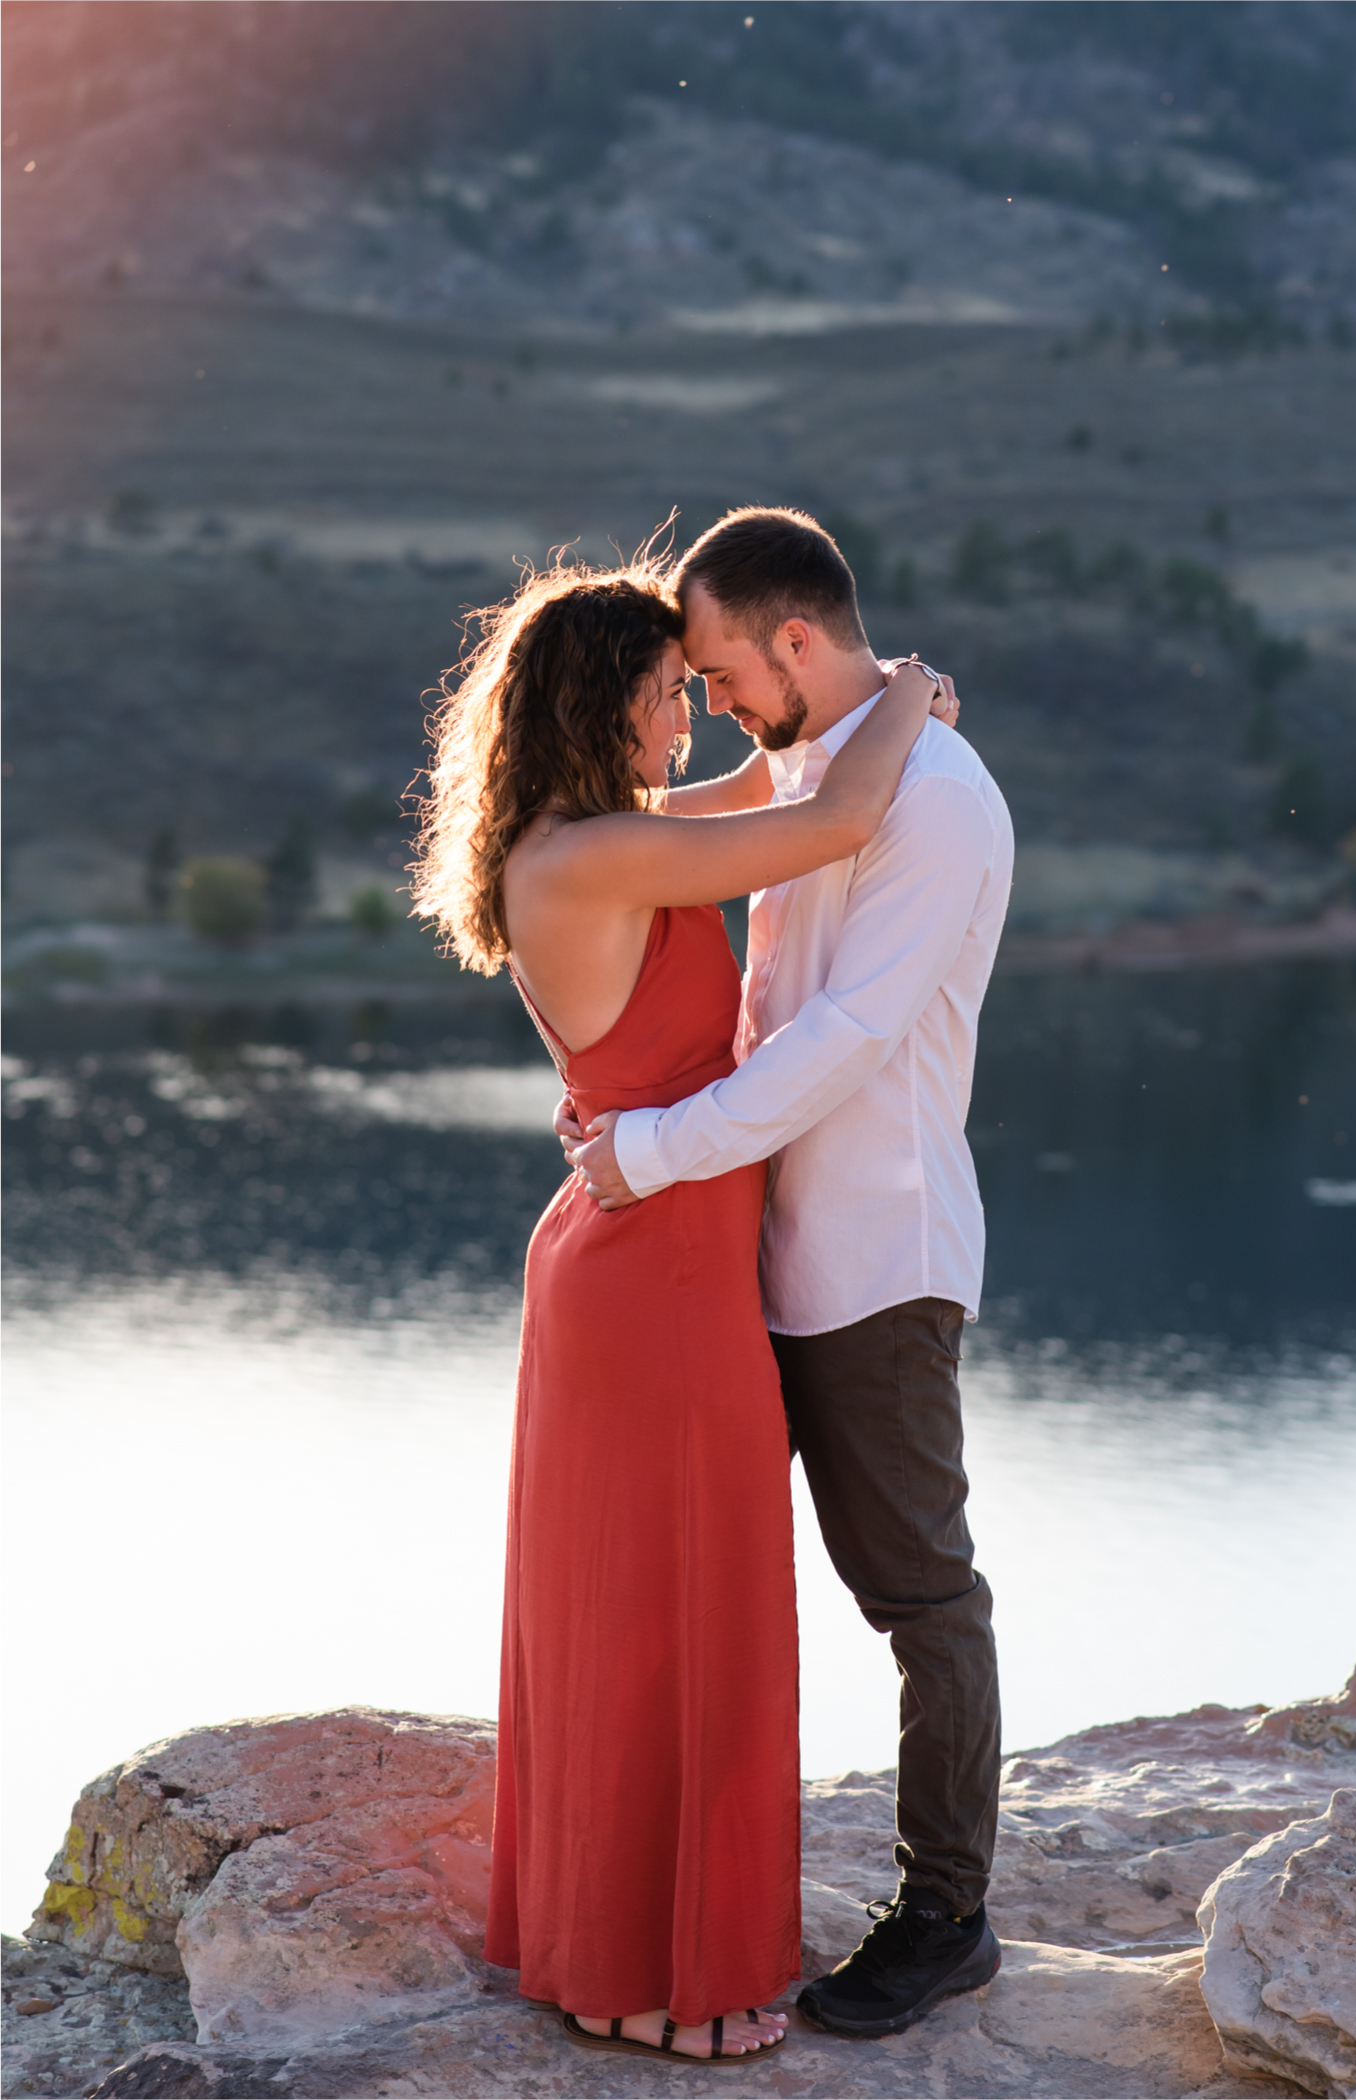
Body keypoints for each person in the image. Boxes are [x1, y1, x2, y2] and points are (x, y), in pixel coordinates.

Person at [410, 554, 951, 2064]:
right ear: (603, 709)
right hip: (650, 1284)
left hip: (662, 1264)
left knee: (658, 1612)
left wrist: (847, 717)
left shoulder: (605, 839)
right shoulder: (589, 862)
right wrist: (907, 693)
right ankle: (654, 1974)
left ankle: (608, 1958)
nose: (688, 725)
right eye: (666, 698)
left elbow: (772, 798)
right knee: (668, 1615)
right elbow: (833, 824)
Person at [565, 506, 1015, 2041]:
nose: (713, 706)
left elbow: (841, 1045)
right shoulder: (827, 765)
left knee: (922, 1596)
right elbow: (701, 837)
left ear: (795, 643)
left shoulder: (934, 801)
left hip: (877, 1262)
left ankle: (948, 1918)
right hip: (761, 1256)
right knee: (752, 1598)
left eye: (721, 674)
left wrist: (655, 1149)